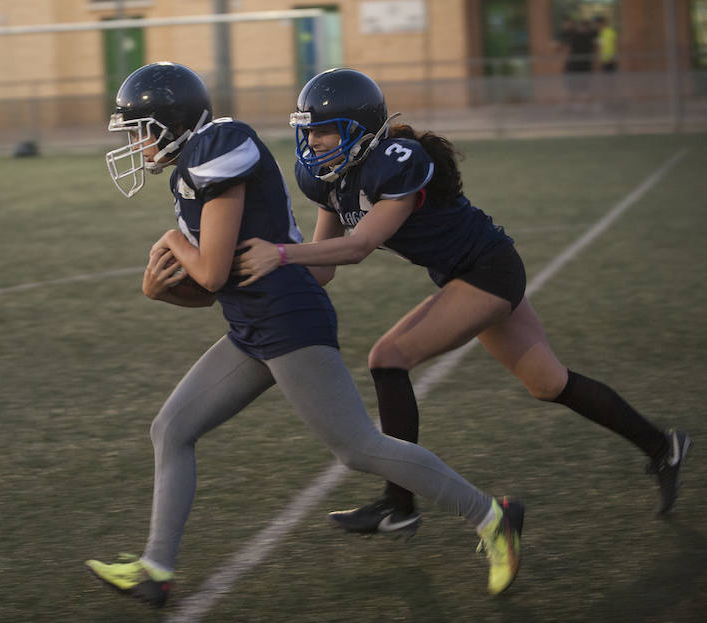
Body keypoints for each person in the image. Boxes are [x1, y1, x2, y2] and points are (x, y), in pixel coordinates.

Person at [84, 62, 525, 607]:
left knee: (357, 447)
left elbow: (214, 272)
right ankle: (156, 568)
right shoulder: (191, 168)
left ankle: (490, 515)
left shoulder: (223, 143)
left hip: (288, 319)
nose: (135, 143)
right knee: (171, 428)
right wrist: (160, 291)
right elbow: (216, 286)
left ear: (171, 124)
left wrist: (174, 240)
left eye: (140, 130)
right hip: (253, 326)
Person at [234, 67, 690, 538]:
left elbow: (358, 247)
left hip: (489, 270)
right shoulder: (329, 180)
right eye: (308, 132)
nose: (314, 143)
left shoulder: (396, 161)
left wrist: (281, 253)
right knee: (548, 383)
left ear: (361, 130)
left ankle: (398, 504)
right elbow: (323, 268)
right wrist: (252, 269)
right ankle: (663, 447)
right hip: (463, 275)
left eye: (325, 131)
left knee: (388, 358)